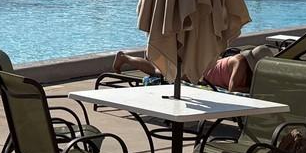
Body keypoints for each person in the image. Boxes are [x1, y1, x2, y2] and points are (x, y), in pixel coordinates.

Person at [108, 42, 277, 92]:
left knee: (161, 71)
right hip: (202, 71)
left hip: (208, 67)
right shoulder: (239, 63)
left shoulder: (246, 66)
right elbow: (233, 89)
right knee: (158, 72)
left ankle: (126, 58)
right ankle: (125, 57)